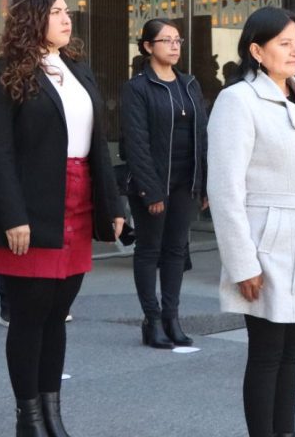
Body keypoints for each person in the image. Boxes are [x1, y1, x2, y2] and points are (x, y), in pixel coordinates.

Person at [0, 0, 125, 436]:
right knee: (30, 312)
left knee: (59, 311)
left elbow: (99, 145)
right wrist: (13, 215)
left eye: (67, 11)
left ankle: (52, 414)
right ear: (31, 17)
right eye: (56, 11)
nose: (66, 18)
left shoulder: (78, 68)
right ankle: (30, 418)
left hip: (79, 199)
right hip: (32, 204)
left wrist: (113, 203)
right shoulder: (1, 72)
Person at [208, 6, 295, 437]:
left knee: (290, 352)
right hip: (266, 245)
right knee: (267, 354)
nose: (294, 51)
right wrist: (241, 262)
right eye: (283, 43)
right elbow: (225, 189)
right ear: (256, 51)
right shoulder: (237, 101)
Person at [120, 18, 209, 349]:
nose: (174, 46)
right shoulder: (137, 88)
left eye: (178, 40)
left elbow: (202, 136)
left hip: (186, 181)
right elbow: (136, 143)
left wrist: (203, 183)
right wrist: (151, 190)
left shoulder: (189, 84)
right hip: (153, 183)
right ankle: (152, 319)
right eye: (166, 40)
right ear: (148, 47)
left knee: (176, 249)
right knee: (149, 249)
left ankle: (172, 317)